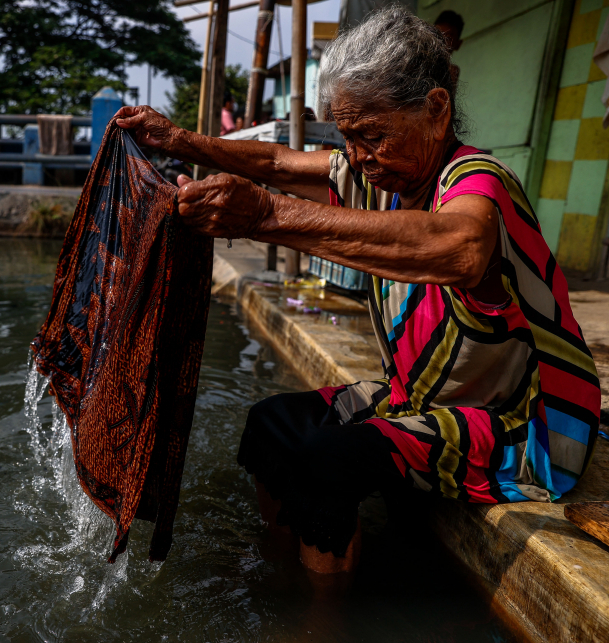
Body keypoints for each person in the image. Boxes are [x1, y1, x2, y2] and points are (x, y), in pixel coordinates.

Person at [114, 6, 600, 576]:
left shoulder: (477, 180)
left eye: (373, 135)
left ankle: (320, 622)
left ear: (436, 112)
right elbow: (277, 160)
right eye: (348, 136)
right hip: (418, 398)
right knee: (270, 424)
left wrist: (265, 215)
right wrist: (178, 139)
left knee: (330, 461)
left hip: (518, 424)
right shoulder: (378, 175)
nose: (359, 157)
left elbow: (460, 246)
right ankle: (284, 569)